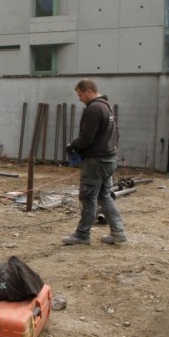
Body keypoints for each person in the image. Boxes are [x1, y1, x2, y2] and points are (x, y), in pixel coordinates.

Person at [62, 78, 126, 246]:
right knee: (104, 196)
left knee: (88, 198)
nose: (79, 98)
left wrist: (73, 145)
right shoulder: (106, 106)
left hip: (96, 162)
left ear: (89, 91)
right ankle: (118, 232)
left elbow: (86, 138)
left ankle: (82, 235)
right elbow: (116, 134)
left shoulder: (94, 109)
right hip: (109, 159)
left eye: (80, 94)